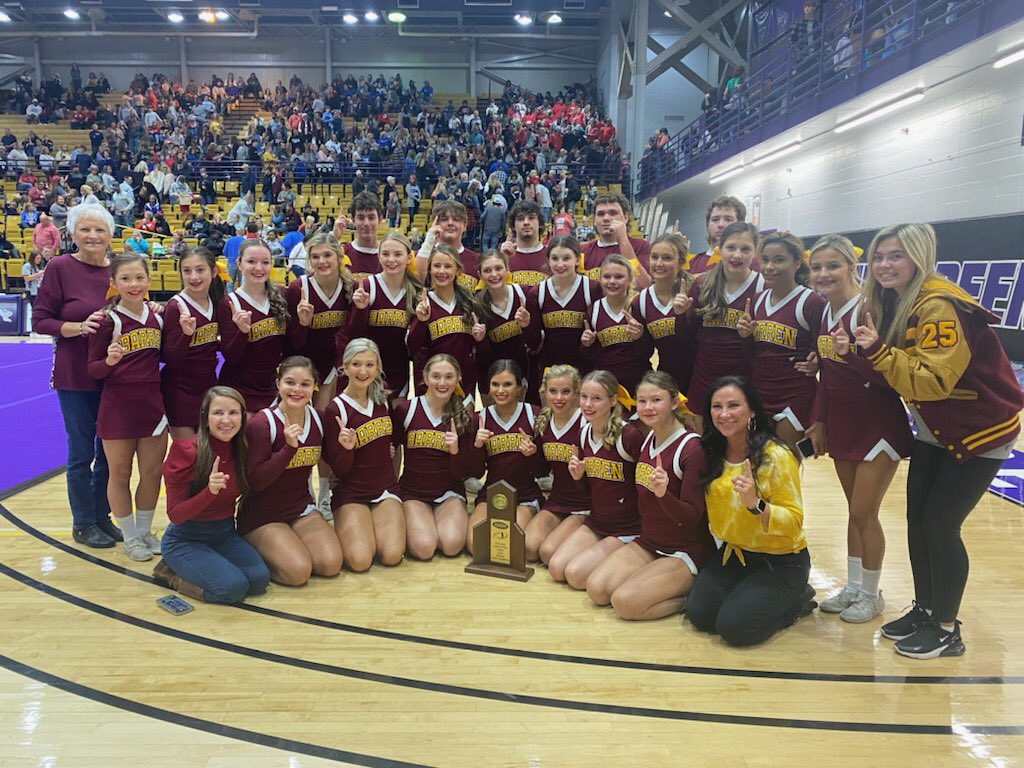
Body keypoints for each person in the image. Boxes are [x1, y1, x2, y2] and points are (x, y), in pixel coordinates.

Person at [855, 223, 1023, 658]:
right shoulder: (892, 299)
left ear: (919, 257)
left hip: (980, 428)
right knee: (916, 520)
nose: (884, 265)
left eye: (896, 256)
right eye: (878, 256)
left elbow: (932, 382)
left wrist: (876, 352)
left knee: (941, 525)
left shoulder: (939, 306)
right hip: (937, 426)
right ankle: (926, 610)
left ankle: (948, 629)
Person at [805, 234, 912, 624]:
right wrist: (819, 420)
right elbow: (826, 376)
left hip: (878, 423)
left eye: (833, 265)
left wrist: (853, 355)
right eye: (817, 267)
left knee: (866, 512)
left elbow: (891, 379)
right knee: (854, 512)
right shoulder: (823, 312)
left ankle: (872, 593)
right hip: (843, 424)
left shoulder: (871, 308)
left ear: (852, 266)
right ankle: (853, 586)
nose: (823, 274)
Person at [685, 376, 815, 646]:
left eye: (733, 406)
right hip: (736, 554)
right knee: (700, 616)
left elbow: (793, 522)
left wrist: (756, 505)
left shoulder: (776, 456)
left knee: (735, 629)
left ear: (752, 410)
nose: (724, 414)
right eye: (716, 406)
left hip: (780, 561)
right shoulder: (710, 451)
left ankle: (797, 600)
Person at [585, 372, 714, 620]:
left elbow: (692, 517)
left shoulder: (692, 448)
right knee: (597, 590)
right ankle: (654, 582)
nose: (647, 407)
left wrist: (664, 495)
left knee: (625, 604)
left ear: (674, 402)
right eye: (641, 401)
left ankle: (692, 598)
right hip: (649, 542)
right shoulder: (648, 439)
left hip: (684, 549)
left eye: (656, 400)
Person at [32, 204, 122, 548]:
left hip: (114, 377)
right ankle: (83, 523)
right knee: (82, 452)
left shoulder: (118, 270)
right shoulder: (59, 267)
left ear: (110, 235)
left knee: (110, 453)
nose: (93, 236)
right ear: (72, 234)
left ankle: (103, 516)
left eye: (99, 230)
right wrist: (76, 327)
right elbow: (41, 319)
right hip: (75, 376)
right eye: (85, 229)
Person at [86, 253, 168, 562]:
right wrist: (109, 361)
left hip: (151, 405)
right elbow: (92, 369)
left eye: (139, 278)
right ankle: (131, 536)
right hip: (117, 406)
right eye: (125, 279)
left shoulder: (159, 316)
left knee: (152, 473)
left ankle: (145, 531)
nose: (133, 284)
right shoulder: (107, 320)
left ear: (149, 280)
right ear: (113, 283)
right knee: (119, 473)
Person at [156, 386, 271, 603]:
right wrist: (209, 492)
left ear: (242, 417)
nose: (226, 420)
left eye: (233, 413)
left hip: (225, 534)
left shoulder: (242, 447)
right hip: (186, 538)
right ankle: (171, 574)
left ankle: (210, 566)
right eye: (218, 413)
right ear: (205, 418)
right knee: (232, 590)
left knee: (258, 580)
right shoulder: (186, 451)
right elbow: (175, 515)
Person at [237, 356, 343, 585]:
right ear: (278, 384)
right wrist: (288, 449)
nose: (297, 389)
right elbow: (255, 481)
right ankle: (250, 550)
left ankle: (288, 544)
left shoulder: (318, 418)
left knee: (330, 564)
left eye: (305, 384)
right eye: (290, 382)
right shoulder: (262, 423)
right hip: (262, 515)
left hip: (299, 508)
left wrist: (347, 448)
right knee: (298, 573)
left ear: (314, 386)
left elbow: (333, 461)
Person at [547, 370, 643, 590]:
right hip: (597, 522)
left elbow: (645, 487)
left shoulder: (628, 436)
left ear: (612, 401)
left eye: (597, 398)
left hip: (627, 527)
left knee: (576, 575)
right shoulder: (584, 432)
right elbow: (589, 493)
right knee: (556, 568)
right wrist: (579, 478)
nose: (588, 404)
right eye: (583, 397)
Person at [737, 232, 826, 450]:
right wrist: (745, 336)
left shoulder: (811, 302)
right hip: (761, 391)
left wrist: (817, 362)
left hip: (795, 395)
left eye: (778, 260)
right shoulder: (758, 301)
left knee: (784, 465)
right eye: (765, 260)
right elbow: (754, 353)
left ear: (797, 263)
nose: (769, 267)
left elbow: (822, 350)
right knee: (760, 462)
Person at [323, 339, 405, 571]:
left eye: (370, 365)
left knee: (391, 555)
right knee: (360, 561)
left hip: (385, 488)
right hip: (352, 492)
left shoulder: (383, 400)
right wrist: (347, 450)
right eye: (356, 364)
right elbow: (338, 469)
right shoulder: (335, 409)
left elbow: (391, 443)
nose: (363, 371)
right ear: (345, 366)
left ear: (378, 368)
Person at [392, 354, 478, 559]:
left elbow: (463, 473)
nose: (442, 383)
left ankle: (434, 521)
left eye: (449, 377)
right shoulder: (406, 409)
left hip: (449, 492)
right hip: (413, 492)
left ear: (458, 378)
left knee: (451, 545)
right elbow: (391, 452)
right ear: (425, 377)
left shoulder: (465, 417)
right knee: (424, 548)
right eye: (436, 376)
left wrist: (455, 451)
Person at [685, 222, 764, 428]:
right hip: (704, 376)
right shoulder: (702, 284)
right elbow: (691, 333)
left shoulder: (763, 286)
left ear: (755, 251)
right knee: (702, 443)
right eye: (731, 247)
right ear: (720, 249)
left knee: (738, 445)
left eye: (745, 249)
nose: (737, 255)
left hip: (744, 378)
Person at [466, 360, 543, 553]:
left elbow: (543, 470)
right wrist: (477, 446)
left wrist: (533, 455)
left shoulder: (534, 414)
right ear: (488, 387)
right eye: (495, 384)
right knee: (476, 545)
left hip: (525, 495)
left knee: (512, 544)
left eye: (507, 384)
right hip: (491, 494)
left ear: (519, 387)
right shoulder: (479, 418)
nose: (501, 390)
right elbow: (475, 472)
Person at [523, 235, 602, 402]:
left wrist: (590, 343)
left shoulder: (592, 289)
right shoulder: (538, 293)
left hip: (584, 369)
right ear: (548, 260)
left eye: (566, 258)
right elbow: (534, 344)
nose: (560, 264)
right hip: (550, 370)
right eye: (555, 258)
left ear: (577, 259)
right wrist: (526, 325)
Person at [344, 232, 421, 401]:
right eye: (385, 254)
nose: (391, 260)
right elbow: (353, 336)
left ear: (409, 258)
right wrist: (360, 310)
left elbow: (416, 342)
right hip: (366, 370)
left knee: (396, 422)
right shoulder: (365, 286)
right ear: (379, 257)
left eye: (397, 254)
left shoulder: (415, 291)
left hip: (398, 371)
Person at [526, 365, 592, 563]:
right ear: (544, 392)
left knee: (547, 553)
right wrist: (532, 454)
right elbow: (542, 470)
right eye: (553, 391)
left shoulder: (586, 422)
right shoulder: (544, 423)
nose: (559, 398)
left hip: (585, 504)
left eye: (566, 392)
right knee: (528, 549)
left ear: (576, 393)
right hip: (557, 500)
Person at [406, 244, 486, 401]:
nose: (441, 271)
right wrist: (421, 322)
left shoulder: (470, 303)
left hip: (464, 381)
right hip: (431, 383)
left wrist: (480, 340)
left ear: (457, 271)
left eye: (448, 266)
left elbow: (481, 351)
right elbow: (412, 348)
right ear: (430, 270)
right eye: (437, 266)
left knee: (463, 425)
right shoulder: (421, 301)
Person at [217, 240, 289, 412]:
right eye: (251, 261)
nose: (259, 268)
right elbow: (231, 356)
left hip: (274, 388)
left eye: (265, 262)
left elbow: (290, 346)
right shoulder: (229, 303)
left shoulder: (282, 295)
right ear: (239, 264)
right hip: (240, 390)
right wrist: (242, 333)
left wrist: (303, 323)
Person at [162, 247, 225, 439]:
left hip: (207, 387)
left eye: (200, 270)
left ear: (213, 272)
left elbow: (211, 345)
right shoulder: (176, 307)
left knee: (208, 455)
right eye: (187, 270)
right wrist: (186, 335)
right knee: (187, 457)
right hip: (180, 390)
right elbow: (170, 359)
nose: (193, 276)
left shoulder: (217, 301)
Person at [631, 233, 694, 393]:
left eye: (667, 258)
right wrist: (639, 338)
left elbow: (695, 341)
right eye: (654, 257)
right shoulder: (641, 301)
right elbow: (645, 354)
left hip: (697, 377)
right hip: (667, 380)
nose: (659, 263)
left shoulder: (694, 291)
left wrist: (682, 316)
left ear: (680, 262)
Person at [581, 255, 648, 398]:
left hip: (638, 381)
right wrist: (588, 344)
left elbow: (647, 352)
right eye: (607, 276)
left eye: (619, 277)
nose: (612, 281)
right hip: (607, 384)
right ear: (600, 279)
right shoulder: (593, 310)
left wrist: (640, 338)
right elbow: (590, 357)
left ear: (630, 279)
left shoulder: (638, 305)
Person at [473, 250, 531, 404]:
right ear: (480, 274)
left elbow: (534, 342)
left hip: (521, 373)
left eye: (498, 268)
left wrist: (527, 326)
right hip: (490, 377)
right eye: (487, 270)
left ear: (507, 268)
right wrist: (480, 340)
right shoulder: (477, 304)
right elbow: (482, 357)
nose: (494, 274)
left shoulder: (524, 294)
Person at [579, 192, 651, 287]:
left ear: (625, 217)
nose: (606, 218)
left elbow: (643, 286)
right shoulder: (582, 251)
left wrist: (623, 241)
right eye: (600, 214)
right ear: (595, 221)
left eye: (613, 213)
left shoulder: (641, 246)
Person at [415, 200, 480, 291]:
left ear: (465, 226)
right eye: (444, 219)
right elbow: (414, 285)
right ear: (435, 224)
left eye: (456, 219)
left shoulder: (478, 260)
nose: (450, 223)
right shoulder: (419, 257)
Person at [686, 196, 746, 275]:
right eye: (715, 219)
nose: (720, 225)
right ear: (707, 225)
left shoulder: (746, 261)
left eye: (728, 220)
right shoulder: (692, 262)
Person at [502, 200, 549, 287]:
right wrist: (502, 261)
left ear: (540, 224)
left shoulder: (551, 256)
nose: (526, 222)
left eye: (531, 218)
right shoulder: (503, 257)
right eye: (520, 219)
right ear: (513, 226)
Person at [337, 191, 383, 281]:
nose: (366, 223)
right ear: (353, 220)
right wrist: (334, 237)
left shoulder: (390, 256)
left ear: (380, 220)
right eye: (361, 218)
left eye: (371, 217)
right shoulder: (342, 252)